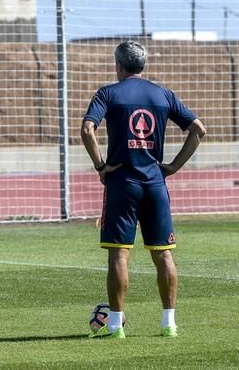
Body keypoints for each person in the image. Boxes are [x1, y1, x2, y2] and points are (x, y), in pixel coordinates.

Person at [81, 40, 206, 339]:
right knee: (163, 255)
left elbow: (87, 129)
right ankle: (169, 324)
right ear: (143, 65)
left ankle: (115, 326)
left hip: (123, 183)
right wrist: (173, 166)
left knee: (119, 255)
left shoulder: (108, 93)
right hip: (154, 184)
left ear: (118, 65)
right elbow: (199, 129)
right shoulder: (162, 94)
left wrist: (100, 165)